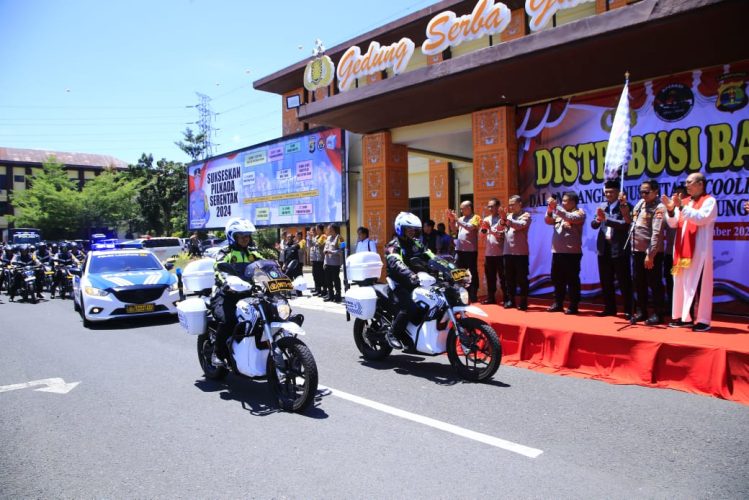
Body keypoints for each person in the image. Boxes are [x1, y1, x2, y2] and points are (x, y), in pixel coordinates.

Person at [662, 172, 718, 332]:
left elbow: (700, 218)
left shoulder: (709, 201)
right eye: (686, 182)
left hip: (699, 252)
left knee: (699, 286)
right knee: (681, 284)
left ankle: (703, 320)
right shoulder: (685, 202)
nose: (686, 185)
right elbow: (673, 223)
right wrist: (670, 210)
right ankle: (684, 318)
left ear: (700, 184)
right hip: (681, 250)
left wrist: (680, 207)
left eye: (689, 182)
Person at [384, 212, 445, 349]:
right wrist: (411, 274)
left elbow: (432, 257)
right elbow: (396, 263)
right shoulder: (393, 245)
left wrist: (451, 269)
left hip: (417, 282)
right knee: (409, 307)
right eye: (409, 229)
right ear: (401, 229)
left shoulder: (417, 243)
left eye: (414, 229)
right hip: (398, 284)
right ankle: (393, 334)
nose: (412, 231)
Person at [210, 218, 264, 366]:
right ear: (232, 237)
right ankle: (217, 353)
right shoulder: (225, 253)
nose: (245, 239)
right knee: (228, 320)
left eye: (247, 236)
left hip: (247, 294)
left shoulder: (253, 253)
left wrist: (280, 274)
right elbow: (220, 269)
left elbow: (266, 265)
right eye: (241, 236)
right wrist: (227, 282)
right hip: (226, 294)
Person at [591, 180, 633, 319]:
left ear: (618, 192)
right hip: (604, 248)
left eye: (611, 192)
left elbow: (625, 225)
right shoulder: (602, 206)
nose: (608, 195)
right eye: (606, 192)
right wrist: (598, 220)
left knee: (624, 281)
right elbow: (593, 224)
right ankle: (610, 308)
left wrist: (606, 219)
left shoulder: (625, 206)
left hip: (619, 248)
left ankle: (628, 310)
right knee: (606, 280)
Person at [631, 179, 667, 325]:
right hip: (637, 250)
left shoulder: (659, 207)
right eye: (641, 192)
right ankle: (641, 311)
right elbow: (633, 220)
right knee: (639, 283)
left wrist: (650, 255)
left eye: (646, 192)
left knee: (654, 283)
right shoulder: (640, 204)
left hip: (652, 253)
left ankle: (658, 314)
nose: (643, 195)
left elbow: (656, 233)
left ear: (655, 191)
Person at [544, 192, 586, 314]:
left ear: (573, 202)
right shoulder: (560, 213)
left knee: (572, 279)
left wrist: (556, 207)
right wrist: (550, 209)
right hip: (557, 251)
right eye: (562, 201)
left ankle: (573, 305)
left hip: (571, 253)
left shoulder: (579, 213)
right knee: (557, 279)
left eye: (565, 201)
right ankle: (558, 303)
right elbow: (548, 220)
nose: (562, 203)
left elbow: (570, 217)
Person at [501, 195, 532, 310]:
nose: (511, 207)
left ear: (520, 204)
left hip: (520, 253)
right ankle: (511, 300)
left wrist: (507, 219)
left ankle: (523, 301)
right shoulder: (508, 216)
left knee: (522, 278)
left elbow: (520, 225)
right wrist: (502, 220)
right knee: (509, 278)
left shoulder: (526, 215)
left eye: (513, 204)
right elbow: (500, 228)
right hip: (507, 252)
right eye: (509, 205)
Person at [446, 200, 480, 302]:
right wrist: (452, 220)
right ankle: (461, 292)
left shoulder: (476, 217)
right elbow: (454, 230)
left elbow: (470, 227)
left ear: (469, 208)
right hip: (460, 250)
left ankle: (473, 293)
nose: (461, 211)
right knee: (459, 272)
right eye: (460, 209)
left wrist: (457, 219)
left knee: (472, 272)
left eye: (462, 209)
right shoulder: (461, 219)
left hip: (470, 251)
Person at [663, 184, 688, 311]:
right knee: (670, 279)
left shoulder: (688, 209)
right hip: (670, 252)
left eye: (681, 193)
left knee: (684, 281)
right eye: (676, 193)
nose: (678, 196)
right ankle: (671, 306)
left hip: (684, 253)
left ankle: (685, 308)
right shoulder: (669, 209)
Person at [480, 198, 506, 305]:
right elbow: (481, 236)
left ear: (498, 207)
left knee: (503, 277)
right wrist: (483, 229)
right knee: (490, 277)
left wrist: (490, 229)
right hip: (489, 253)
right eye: (489, 206)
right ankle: (491, 297)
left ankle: (507, 298)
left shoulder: (503, 219)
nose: (490, 208)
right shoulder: (486, 219)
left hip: (501, 253)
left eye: (492, 206)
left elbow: (501, 235)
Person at [322, 223, 343, 302]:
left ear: (334, 229)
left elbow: (341, 251)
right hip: (327, 262)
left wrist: (331, 252)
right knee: (328, 280)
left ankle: (338, 295)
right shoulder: (328, 238)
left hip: (335, 263)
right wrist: (325, 251)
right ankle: (331, 295)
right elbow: (325, 248)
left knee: (335, 279)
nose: (328, 230)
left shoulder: (339, 238)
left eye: (329, 229)